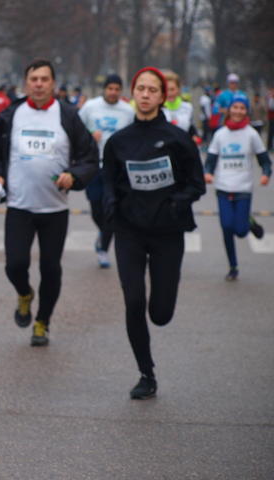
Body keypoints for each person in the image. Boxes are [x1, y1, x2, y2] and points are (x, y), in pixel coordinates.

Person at [102, 66, 205, 400]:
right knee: (133, 301)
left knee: (160, 314)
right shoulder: (118, 142)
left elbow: (196, 184)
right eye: (140, 89)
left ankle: (161, 309)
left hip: (167, 232)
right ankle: (146, 374)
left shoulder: (178, 139)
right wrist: (110, 205)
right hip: (129, 230)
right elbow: (108, 182)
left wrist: (176, 203)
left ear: (163, 96)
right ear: (133, 94)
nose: (145, 95)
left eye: (152, 90)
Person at [0, 58, 98, 346]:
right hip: (19, 206)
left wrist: (74, 175)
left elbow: (89, 157)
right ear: (26, 83)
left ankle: (42, 322)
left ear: (53, 84)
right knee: (15, 264)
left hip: (54, 209)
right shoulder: (12, 114)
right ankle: (24, 294)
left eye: (44, 79)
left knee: (50, 268)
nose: (39, 84)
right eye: (34, 79)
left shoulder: (68, 115)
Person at [204, 94, 271, 281]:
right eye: (235, 107)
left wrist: (266, 174)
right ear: (229, 110)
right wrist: (208, 173)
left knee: (241, 231)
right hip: (223, 188)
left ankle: (249, 222)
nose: (238, 111)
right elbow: (210, 161)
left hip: (243, 188)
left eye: (242, 108)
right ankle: (233, 266)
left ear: (246, 111)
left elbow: (265, 160)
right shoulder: (220, 134)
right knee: (227, 226)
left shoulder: (251, 134)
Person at [78, 73, 134, 268]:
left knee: (111, 209)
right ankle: (104, 232)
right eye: (110, 88)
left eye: (117, 89)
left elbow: (134, 135)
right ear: (104, 89)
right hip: (94, 164)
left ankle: (103, 249)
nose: (113, 92)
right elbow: (76, 130)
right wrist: (89, 135)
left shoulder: (128, 111)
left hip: (116, 167)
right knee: (96, 208)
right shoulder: (90, 107)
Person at [162, 71, 198, 140]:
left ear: (178, 89)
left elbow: (191, 128)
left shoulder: (188, 107)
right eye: (166, 90)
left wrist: (194, 136)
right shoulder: (157, 108)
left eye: (172, 89)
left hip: (183, 145)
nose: (169, 93)